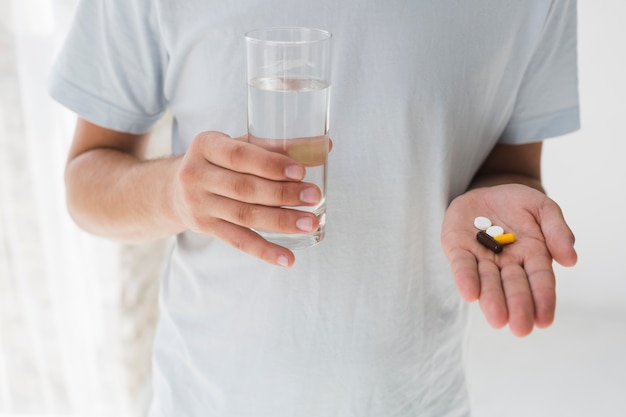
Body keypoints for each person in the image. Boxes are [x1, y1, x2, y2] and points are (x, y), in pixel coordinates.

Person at [49, 0, 579, 415]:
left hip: (418, 401)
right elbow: (85, 182)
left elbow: (513, 165)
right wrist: (175, 194)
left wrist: (499, 197)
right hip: (208, 399)